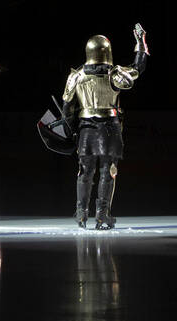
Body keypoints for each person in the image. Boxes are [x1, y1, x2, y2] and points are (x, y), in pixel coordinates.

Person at [61, 23, 149, 229]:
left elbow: (67, 107)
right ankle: (102, 215)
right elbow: (138, 68)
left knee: (84, 171)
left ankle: (81, 213)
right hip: (110, 127)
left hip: (86, 128)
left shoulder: (77, 75)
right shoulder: (114, 74)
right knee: (108, 171)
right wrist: (141, 43)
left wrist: (70, 132)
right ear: (107, 52)